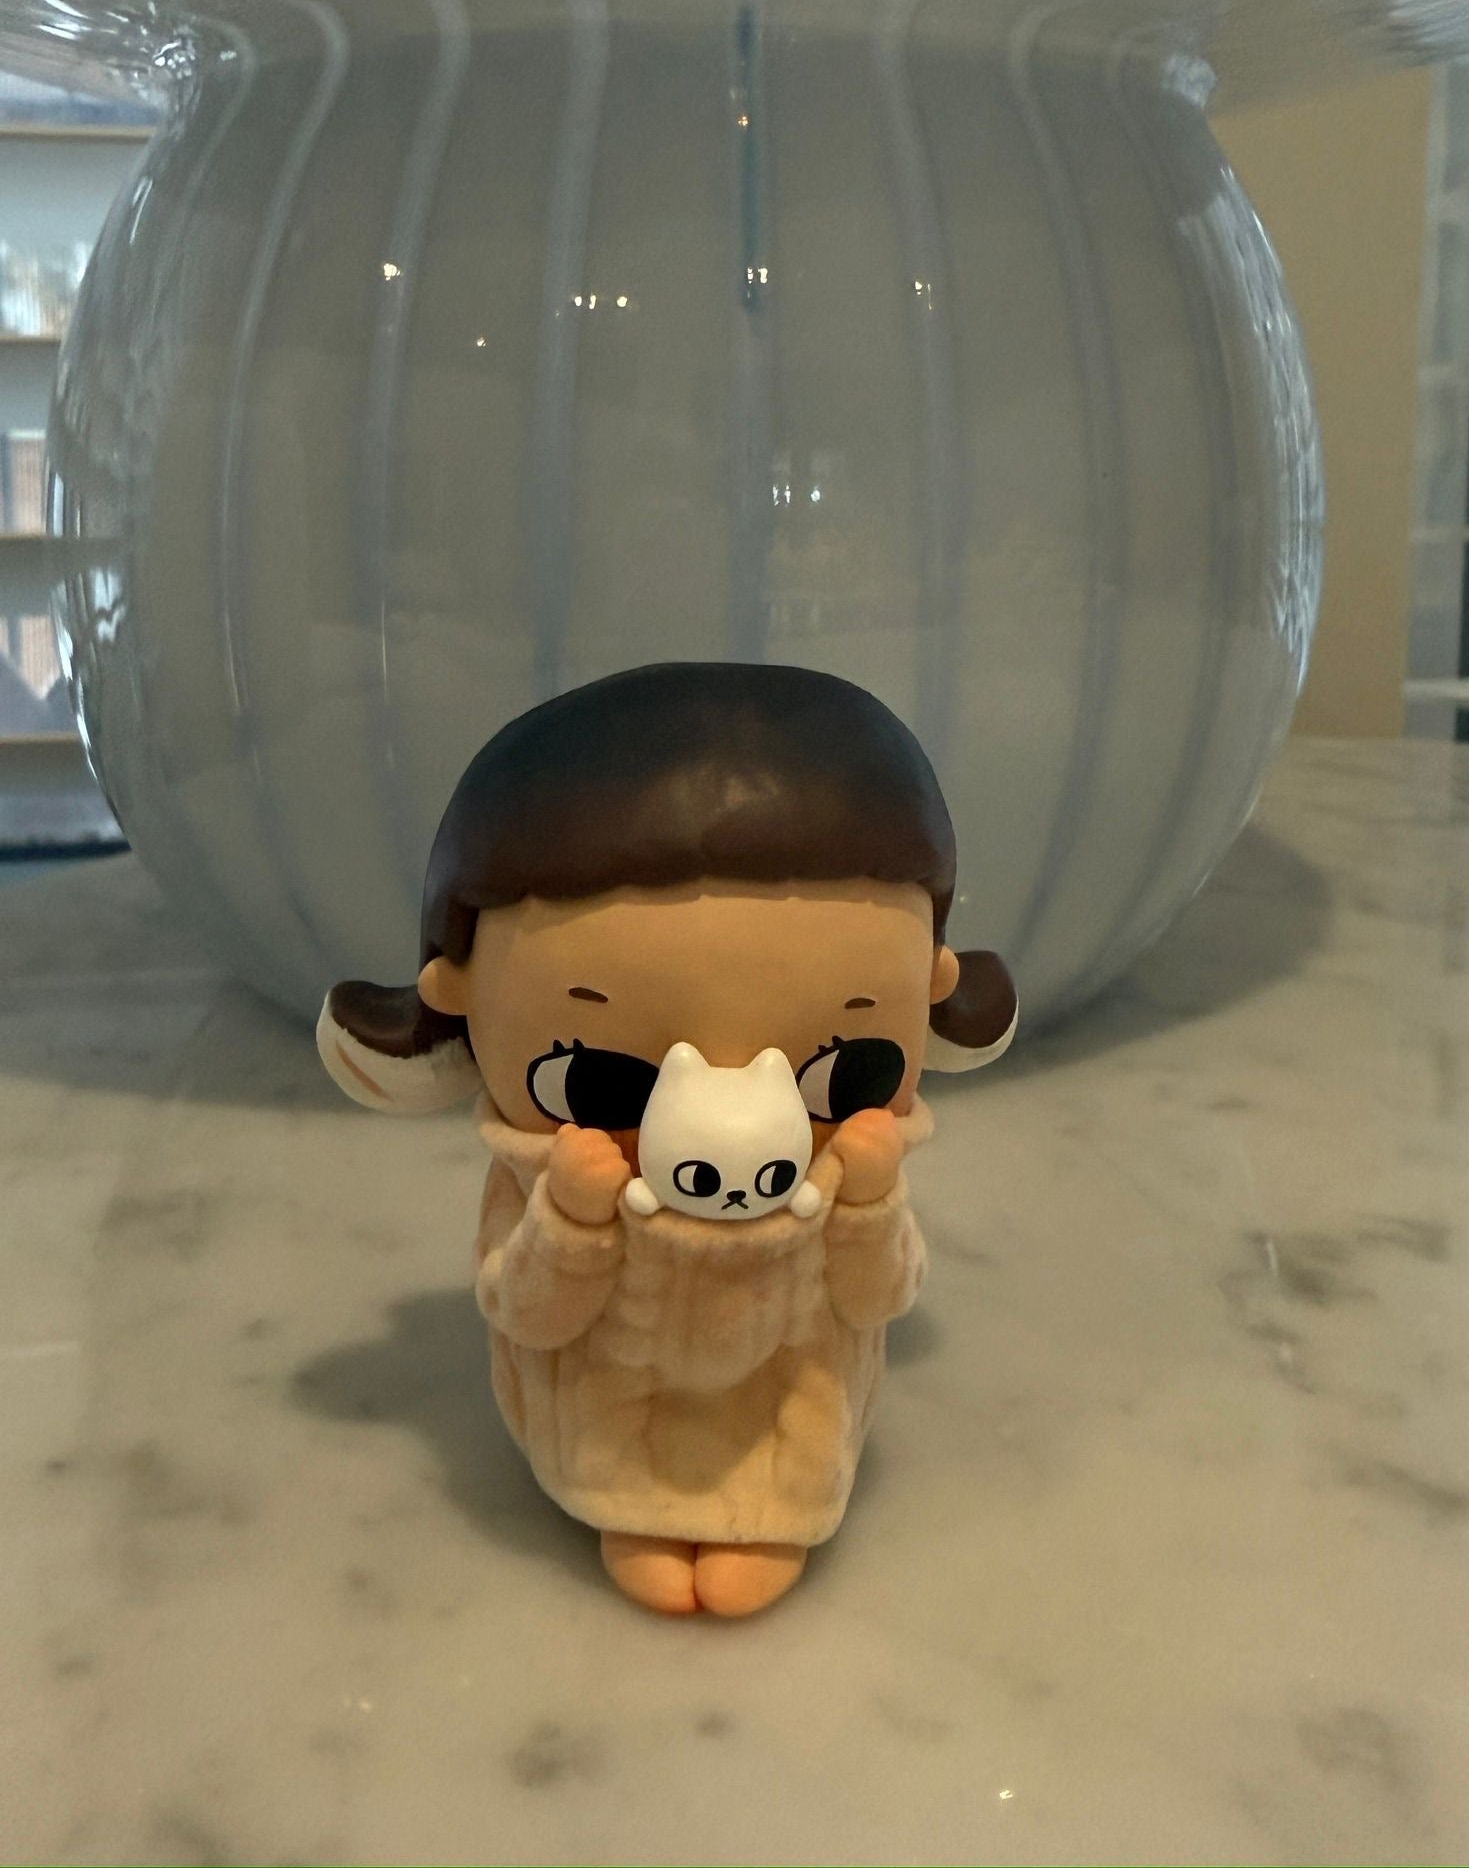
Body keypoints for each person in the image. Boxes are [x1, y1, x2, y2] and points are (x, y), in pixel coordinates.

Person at [318, 661, 1016, 1616]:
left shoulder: (848, 1162)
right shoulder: (550, 1176)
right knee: (608, 1440)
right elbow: (524, 1311)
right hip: (604, 1412)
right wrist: (570, 1220)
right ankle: (630, 1507)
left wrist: (868, 1203)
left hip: (790, 1405)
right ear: (462, 1002)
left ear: (928, 988)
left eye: (842, 1064)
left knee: (794, 1429)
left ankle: (769, 1512)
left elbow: (880, 1295)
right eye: (599, 1077)